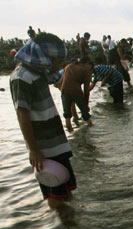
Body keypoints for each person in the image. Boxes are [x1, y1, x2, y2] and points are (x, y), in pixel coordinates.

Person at [10, 32, 78, 210]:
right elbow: (22, 114)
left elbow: (56, 79)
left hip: (56, 143)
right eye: (56, 61)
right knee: (54, 194)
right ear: (44, 57)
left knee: (65, 189)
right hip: (44, 148)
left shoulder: (38, 74)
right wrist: (33, 149)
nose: (57, 65)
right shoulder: (21, 77)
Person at [60, 56, 94, 131]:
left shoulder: (68, 67)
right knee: (86, 116)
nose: (90, 68)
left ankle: (71, 135)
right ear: (86, 63)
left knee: (67, 116)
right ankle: (91, 133)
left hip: (64, 91)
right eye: (90, 66)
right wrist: (86, 105)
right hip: (76, 92)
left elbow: (62, 81)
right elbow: (86, 90)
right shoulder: (86, 71)